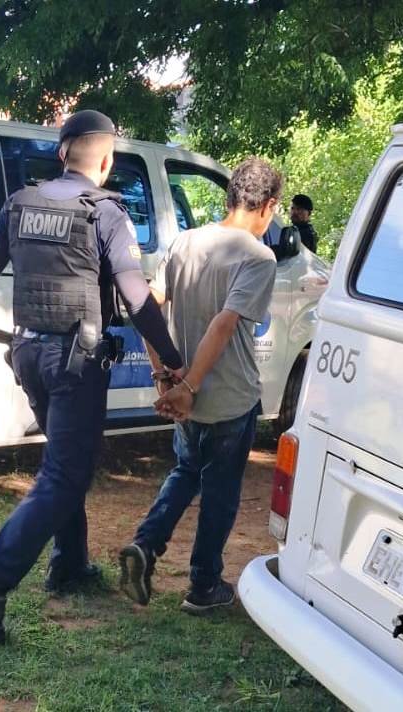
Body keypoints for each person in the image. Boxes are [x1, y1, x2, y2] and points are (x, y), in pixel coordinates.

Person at [0, 110, 184, 645]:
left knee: (64, 463)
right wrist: (172, 358)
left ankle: (69, 564)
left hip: (27, 353)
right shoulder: (105, 212)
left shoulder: (20, 204)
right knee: (65, 473)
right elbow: (136, 297)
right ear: (106, 160)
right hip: (75, 361)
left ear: (62, 152)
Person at [119, 157, 282, 613]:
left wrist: (165, 377)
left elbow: (145, 307)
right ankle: (204, 586)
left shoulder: (184, 242)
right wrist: (187, 387)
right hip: (229, 398)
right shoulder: (259, 257)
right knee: (220, 493)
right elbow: (225, 324)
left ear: (230, 196)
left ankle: (145, 545)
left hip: (182, 397)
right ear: (268, 206)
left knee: (186, 471)